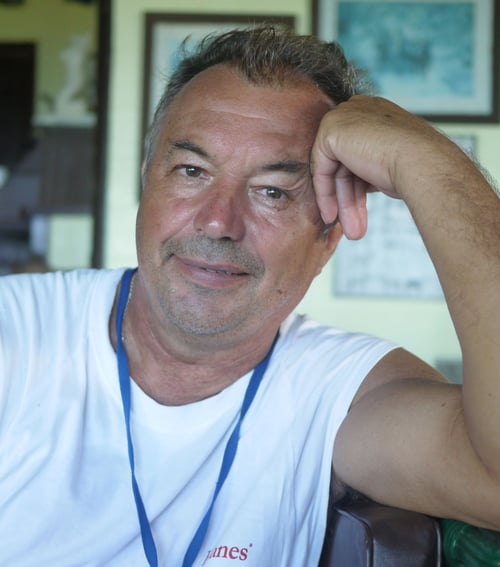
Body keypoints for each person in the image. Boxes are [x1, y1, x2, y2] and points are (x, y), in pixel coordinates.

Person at [1, 25, 499, 567]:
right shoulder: (16, 331)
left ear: (328, 238)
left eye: (272, 192)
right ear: (148, 184)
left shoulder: (337, 388)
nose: (219, 222)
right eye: (192, 171)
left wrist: (425, 158)